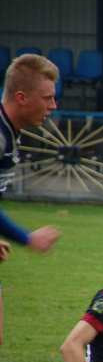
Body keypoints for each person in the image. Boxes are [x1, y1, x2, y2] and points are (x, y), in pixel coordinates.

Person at [0, 54, 63, 345]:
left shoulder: (10, 134)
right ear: (22, 97)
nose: (53, 106)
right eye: (47, 98)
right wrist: (26, 238)